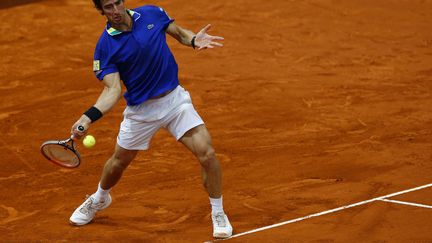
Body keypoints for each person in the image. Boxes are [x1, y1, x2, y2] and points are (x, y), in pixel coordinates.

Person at [68, 0, 233, 239]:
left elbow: (179, 33)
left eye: (117, 3)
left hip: (175, 101)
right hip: (141, 112)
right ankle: (100, 198)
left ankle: (218, 212)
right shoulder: (105, 47)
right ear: (101, 11)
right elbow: (112, 90)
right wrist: (87, 117)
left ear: (123, 1)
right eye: (108, 7)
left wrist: (194, 40)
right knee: (118, 163)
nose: (115, 10)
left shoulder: (151, 13)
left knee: (207, 153)